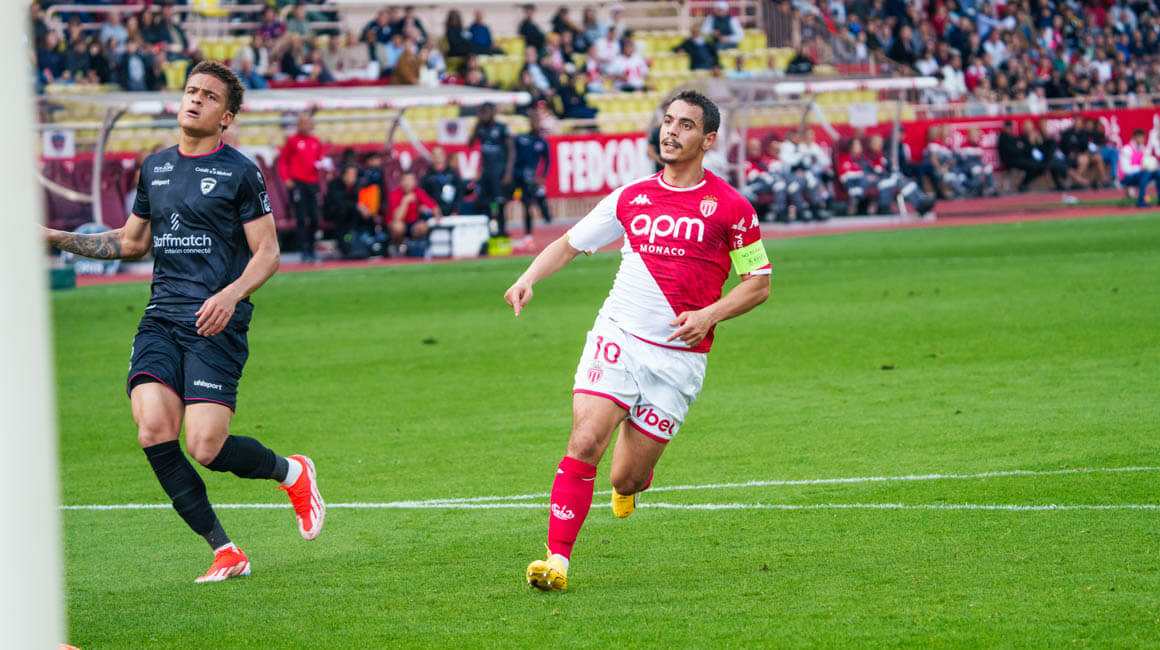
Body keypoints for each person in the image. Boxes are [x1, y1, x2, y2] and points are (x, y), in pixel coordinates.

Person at [43, 61, 324, 584]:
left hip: (217, 322)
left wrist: (231, 294)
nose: (195, 99)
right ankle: (225, 550)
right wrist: (52, 237)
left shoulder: (240, 172)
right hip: (161, 318)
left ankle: (292, 472)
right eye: (191, 90)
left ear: (227, 117)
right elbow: (131, 242)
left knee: (205, 447)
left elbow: (267, 253)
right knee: (153, 429)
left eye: (209, 96)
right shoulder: (155, 167)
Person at [505, 90, 771, 592]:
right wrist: (528, 278)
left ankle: (630, 486)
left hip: (678, 359)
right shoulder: (630, 196)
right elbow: (570, 243)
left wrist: (709, 315)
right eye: (668, 121)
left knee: (624, 477)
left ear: (708, 140)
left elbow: (759, 283)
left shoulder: (732, 208)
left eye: (686, 125)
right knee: (585, 441)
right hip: (619, 337)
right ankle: (557, 561)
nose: (671, 131)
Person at [277, 112, 325, 262]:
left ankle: (312, 247)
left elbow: (320, 160)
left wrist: (323, 169)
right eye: (302, 122)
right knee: (301, 217)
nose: (305, 125)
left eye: (307, 122)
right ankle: (304, 249)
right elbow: (283, 162)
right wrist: (286, 179)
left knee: (314, 217)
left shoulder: (316, 142)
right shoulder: (292, 141)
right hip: (298, 184)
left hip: (312, 184)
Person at [469, 102, 514, 236]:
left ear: (493, 113)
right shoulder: (481, 128)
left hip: (499, 173)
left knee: (499, 203)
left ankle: (502, 230)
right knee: (485, 203)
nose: (484, 115)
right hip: (486, 173)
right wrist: (477, 124)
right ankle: (489, 231)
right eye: (482, 113)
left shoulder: (502, 128)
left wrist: (508, 172)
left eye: (486, 112)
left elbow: (511, 150)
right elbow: (470, 143)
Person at [510, 110, 552, 247]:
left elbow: (548, 161)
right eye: (533, 121)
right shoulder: (521, 139)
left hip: (530, 179)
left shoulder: (542, 142)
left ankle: (528, 235)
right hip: (515, 176)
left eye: (537, 121)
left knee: (528, 205)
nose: (535, 124)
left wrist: (542, 176)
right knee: (501, 202)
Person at [386, 170, 441, 256]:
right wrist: (405, 201)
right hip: (397, 224)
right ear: (400, 182)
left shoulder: (418, 192)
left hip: (413, 224)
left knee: (423, 226)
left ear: (415, 181)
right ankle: (396, 247)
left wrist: (436, 215)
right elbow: (397, 218)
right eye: (405, 180)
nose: (408, 183)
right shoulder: (394, 194)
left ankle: (415, 247)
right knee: (398, 227)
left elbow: (434, 207)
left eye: (410, 180)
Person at [420, 146, 467, 217]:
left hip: (452, 215)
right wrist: (428, 208)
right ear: (431, 157)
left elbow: (459, 195)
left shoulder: (453, 174)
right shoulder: (426, 177)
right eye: (434, 155)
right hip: (433, 215)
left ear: (444, 156)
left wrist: (456, 211)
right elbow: (423, 196)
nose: (437, 157)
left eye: (440, 154)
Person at [1119, 129, 1160, 207]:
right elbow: (1125, 170)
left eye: (1143, 138)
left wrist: (1152, 167)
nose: (1142, 140)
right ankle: (1141, 200)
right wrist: (1141, 168)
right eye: (1139, 137)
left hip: (1141, 174)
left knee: (1158, 173)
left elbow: (1148, 163)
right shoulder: (1127, 149)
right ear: (1134, 138)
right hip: (1126, 178)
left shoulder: (1143, 149)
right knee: (1145, 173)